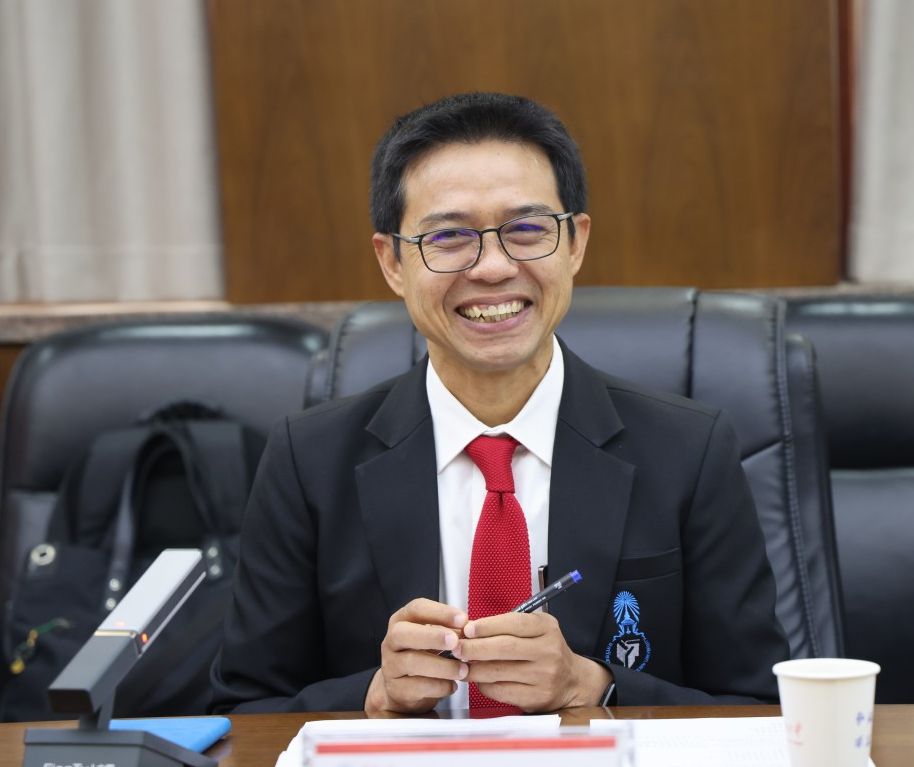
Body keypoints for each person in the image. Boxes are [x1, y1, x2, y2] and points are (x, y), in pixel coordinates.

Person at [210, 92, 789, 715]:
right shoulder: (308, 461)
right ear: (393, 262)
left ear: (575, 243)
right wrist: (371, 697)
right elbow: (242, 715)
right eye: (448, 237)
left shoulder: (688, 451)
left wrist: (593, 688)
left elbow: (757, 708)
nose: (491, 268)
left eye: (527, 230)